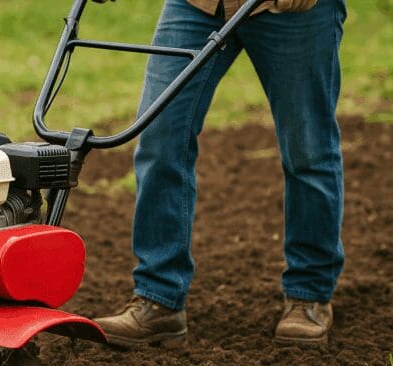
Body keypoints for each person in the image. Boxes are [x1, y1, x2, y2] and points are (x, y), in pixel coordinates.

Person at [92, 0, 347, 346]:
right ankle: (159, 297)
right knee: (160, 134)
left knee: (308, 148)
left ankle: (309, 294)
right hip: (199, 5)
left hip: (292, 11)